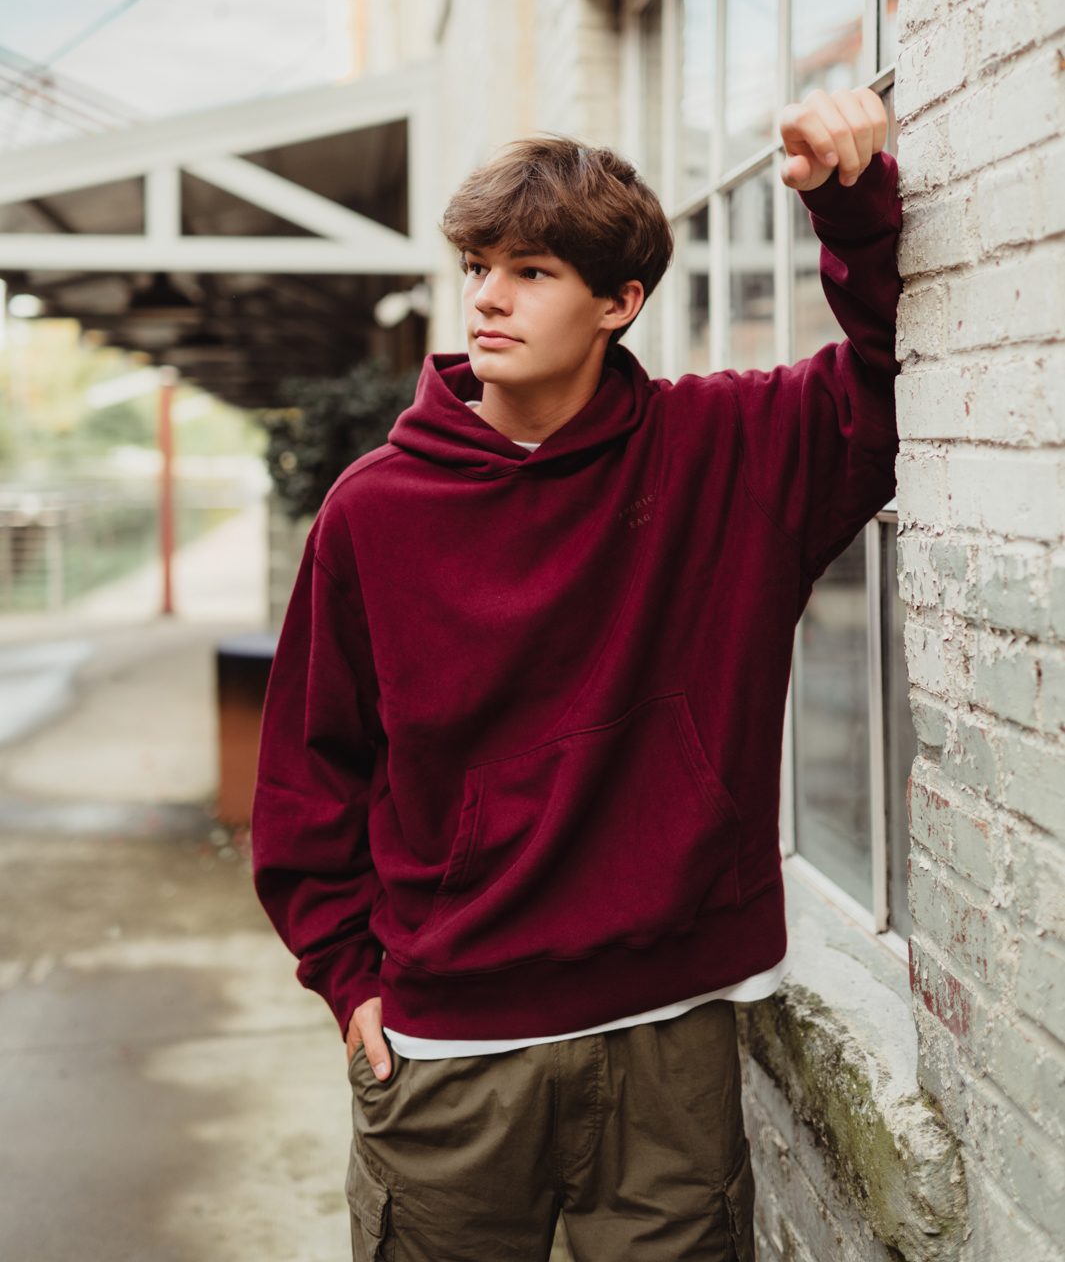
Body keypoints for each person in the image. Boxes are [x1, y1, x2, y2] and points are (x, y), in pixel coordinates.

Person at [250, 85, 902, 1261]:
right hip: (452, 1059)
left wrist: (851, 206)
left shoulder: (724, 452)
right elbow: (308, 776)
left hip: (669, 1042)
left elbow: (889, 385)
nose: (490, 297)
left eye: (535, 271)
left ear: (620, 301)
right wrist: (351, 983)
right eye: (479, 265)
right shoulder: (372, 512)